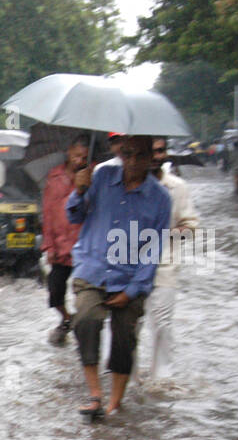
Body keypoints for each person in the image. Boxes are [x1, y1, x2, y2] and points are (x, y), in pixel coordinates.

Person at [66, 134, 172, 419]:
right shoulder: (100, 177)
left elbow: (153, 251)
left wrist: (134, 289)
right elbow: (75, 216)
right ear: (120, 154)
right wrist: (78, 191)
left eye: (140, 155)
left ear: (151, 159)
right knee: (86, 319)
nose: (133, 161)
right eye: (127, 154)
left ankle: (114, 401)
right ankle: (94, 394)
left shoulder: (161, 199)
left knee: (125, 335)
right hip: (93, 269)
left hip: (129, 277)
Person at [137, 137, 200, 384]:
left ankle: (162, 378)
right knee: (129, 325)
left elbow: (191, 226)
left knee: (162, 323)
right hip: (130, 264)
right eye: (151, 151)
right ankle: (127, 377)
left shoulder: (177, 187)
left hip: (165, 265)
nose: (156, 156)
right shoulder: (127, 185)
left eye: (161, 151)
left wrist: (166, 232)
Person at [41, 134, 88, 344]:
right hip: (60, 244)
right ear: (68, 152)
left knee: (84, 293)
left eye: (84, 157)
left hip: (85, 246)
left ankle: (83, 327)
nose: (80, 160)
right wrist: (49, 245)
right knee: (55, 291)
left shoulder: (94, 175)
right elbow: (48, 211)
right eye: (77, 155)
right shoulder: (55, 176)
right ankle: (67, 319)